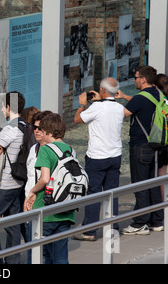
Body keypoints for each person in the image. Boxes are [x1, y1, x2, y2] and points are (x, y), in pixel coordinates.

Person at [73, 78, 124, 241]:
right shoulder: (119, 107)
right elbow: (106, 109)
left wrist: (82, 104)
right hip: (115, 155)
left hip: (97, 157)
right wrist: (99, 101)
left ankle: (89, 230)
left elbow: (77, 119)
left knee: (94, 193)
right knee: (112, 192)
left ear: (102, 90)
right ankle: (113, 227)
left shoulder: (96, 108)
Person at [116, 65, 163, 235]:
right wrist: (124, 97)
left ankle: (140, 222)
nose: (134, 80)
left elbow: (121, 114)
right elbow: (140, 104)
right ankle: (157, 220)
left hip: (140, 145)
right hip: (155, 144)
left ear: (143, 79)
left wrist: (104, 102)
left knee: (140, 184)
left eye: (135, 77)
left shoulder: (139, 98)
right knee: (153, 182)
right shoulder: (157, 94)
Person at [25, 113, 75, 264]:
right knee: (60, 257)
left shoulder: (46, 150)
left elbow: (45, 179)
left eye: (43, 130)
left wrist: (32, 191)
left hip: (45, 209)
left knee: (37, 255)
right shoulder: (70, 150)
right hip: (65, 209)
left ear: (50, 133)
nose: (40, 133)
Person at [0, 91, 25, 264]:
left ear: (9, 107)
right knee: (13, 224)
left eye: (3, 106)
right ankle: (13, 260)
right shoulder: (25, 126)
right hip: (19, 182)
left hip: (6, 184)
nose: (2, 110)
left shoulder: (10, 129)